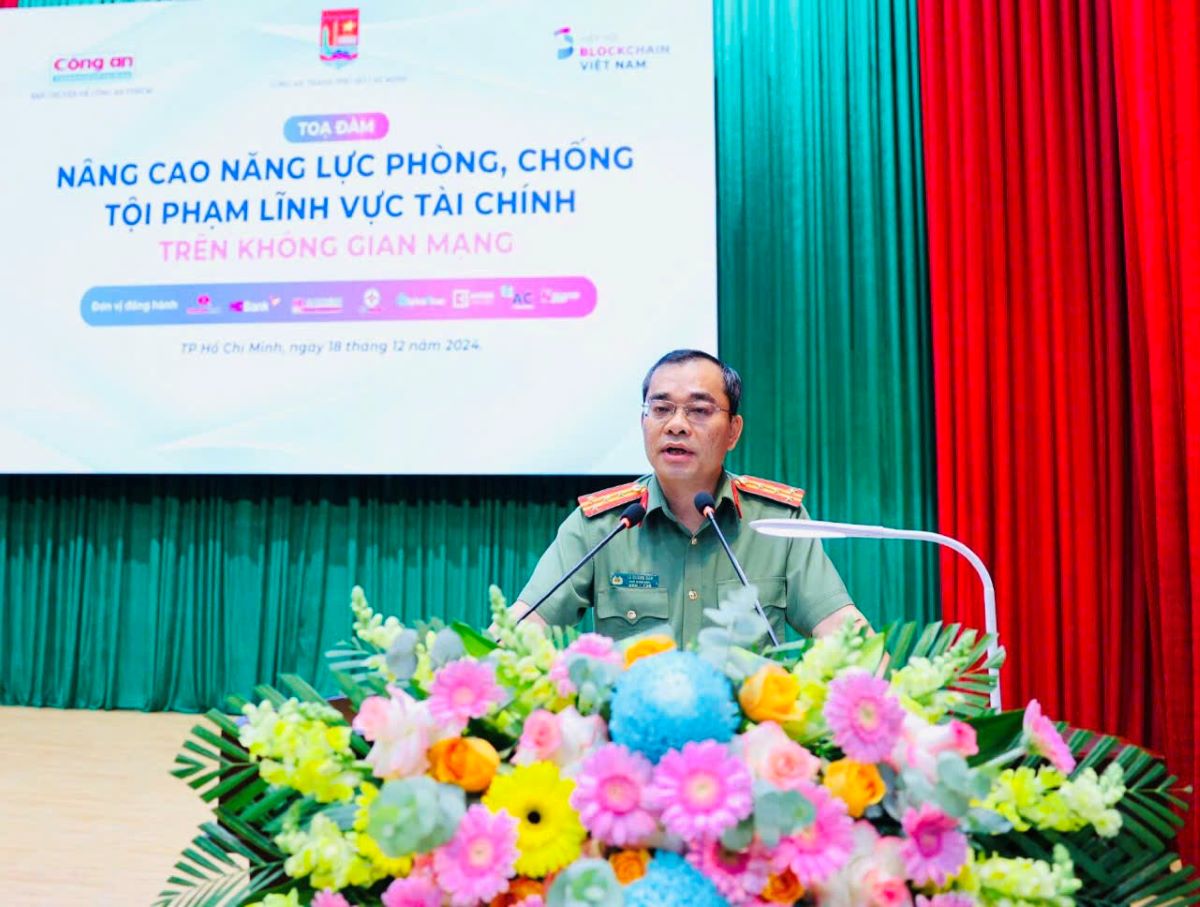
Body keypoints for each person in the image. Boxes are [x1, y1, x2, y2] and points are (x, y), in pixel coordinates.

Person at [504, 349, 870, 646]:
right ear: (643, 422)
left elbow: (840, 629)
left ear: (733, 431)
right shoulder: (603, 524)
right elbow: (524, 626)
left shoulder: (777, 521)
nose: (676, 425)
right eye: (661, 409)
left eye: (698, 410)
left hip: (745, 733)